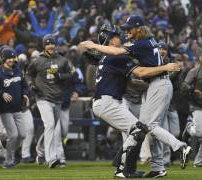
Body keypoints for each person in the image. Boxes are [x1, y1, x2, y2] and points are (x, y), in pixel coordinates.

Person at [79, 15, 191, 178]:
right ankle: (165, 156)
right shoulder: (135, 47)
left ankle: (134, 167)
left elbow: (130, 71)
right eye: (119, 34)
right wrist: (164, 67)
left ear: (138, 28)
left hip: (144, 89)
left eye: (128, 29)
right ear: (110, 41)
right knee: (143, 128)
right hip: (110, 101)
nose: (125, 34)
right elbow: (138, 71)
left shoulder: (124, 51)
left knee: (145, 128)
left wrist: (93, 49)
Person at [26, 34, 72, 168]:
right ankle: (51, 158)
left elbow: (70, 75)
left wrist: (61, 75)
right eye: (47, 44)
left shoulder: (62, 60)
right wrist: (31, 85)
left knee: (51, 127)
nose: (50, 46)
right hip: (42, 97)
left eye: (52, 43)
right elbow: (28, 74)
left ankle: (40, 152)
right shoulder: (37, 61)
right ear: (44, 46)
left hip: (57, 98)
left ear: (55, 45)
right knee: (51, 125)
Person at [0, 48, 29, 168]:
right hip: (5, 110)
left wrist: (25, 94)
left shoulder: (19, 71)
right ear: (3, 59)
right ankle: (8, 161)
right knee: (13, 135)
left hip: (18, 109)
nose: (11, 60)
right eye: (9, 58)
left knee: (23, 135)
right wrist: (1, 93)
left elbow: (25, 86)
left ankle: (13, 151)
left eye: (12, 58)